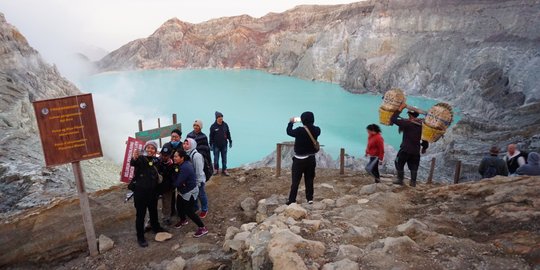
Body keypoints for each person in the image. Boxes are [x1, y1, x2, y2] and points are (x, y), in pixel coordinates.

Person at [130, 141, 167, 247]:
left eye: (153, 148)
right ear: (145, 148)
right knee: (140, 215)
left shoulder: (156, 160)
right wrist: (135, 157)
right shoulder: (140, 159)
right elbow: (133, 162)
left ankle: (156, 228)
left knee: (153, 212)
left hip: (152, 192)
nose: (150, 150)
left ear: (155, 151)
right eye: (148, 147)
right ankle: (140, 237)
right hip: (140, 193)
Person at [286, 111, 321, 205]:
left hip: (299, 160)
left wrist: (291, 122)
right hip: (311, 159)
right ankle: (310, 199)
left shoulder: (299, 130)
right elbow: (314, 131)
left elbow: (289, 132)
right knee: (309, 179)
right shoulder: (317, 130)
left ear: (302, 120)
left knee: (295, 181)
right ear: (313, 119)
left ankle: (292, 200)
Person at [172, 150, 209, 238]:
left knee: (189, 211)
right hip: (183, 190)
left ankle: (202, 228)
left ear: (182, 158)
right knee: (179, 206)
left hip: (189, 192)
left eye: (176, 156)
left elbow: (177, 182)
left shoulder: (185, 167)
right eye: (174, 156)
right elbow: (179, 181)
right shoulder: (182, 164)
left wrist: (176, 180)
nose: (174, 158)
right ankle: (183, 220)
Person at [390, 103, 429, 187]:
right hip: (415, 150)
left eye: (408, 115)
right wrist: (424, 147)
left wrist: (400, 109)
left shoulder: (407, 124)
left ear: (410, 115)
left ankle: (400, 180)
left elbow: (393, 119)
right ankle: (413, 182)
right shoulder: (422, 125)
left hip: (405, 149)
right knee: (414, 166)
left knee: (398, 162)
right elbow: (425, 138)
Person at [183, 138, 209, 219]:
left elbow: (199, 170)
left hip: (198, 180)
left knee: (201, 195)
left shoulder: (196, 156)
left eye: (187, 144)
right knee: (194, 195)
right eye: (184, 143)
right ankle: (196, 207)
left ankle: (204, 209)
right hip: (191, 180)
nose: (184, 145)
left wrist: (198, 182)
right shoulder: (187, 154)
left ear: (192, 145)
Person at [160, 129, 183, 218]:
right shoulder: (166, 145)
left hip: (179, 173)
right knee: (170, 193)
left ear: (180, 137)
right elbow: (162, 157)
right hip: (168, 174)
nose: (173, 138)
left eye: (176, 137)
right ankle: (171, 211)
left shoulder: (182, 146)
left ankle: (181, 211)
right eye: (172, 136)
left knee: (180, 193)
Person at [210, 111, 233, 176]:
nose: (221, 119)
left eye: (221, 117)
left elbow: (228, 133)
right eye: (219, 117)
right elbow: (211, 136)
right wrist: (210, 144)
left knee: (224, 158)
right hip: (216, 145)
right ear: (216, 118)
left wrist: (230, 141)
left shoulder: (225, 125)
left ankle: (224, 169)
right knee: (216, 159)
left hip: (224, 145)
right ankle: (216, 169)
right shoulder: (213, 126)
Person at [158, 145, 175, 225]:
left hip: (168, 187)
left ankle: (166, 218)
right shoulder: (156, 162)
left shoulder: (173, 164)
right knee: (152, 205)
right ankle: (149, 222)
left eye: (166, 155)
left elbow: (174, 176)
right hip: (156, 187)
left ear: (170, 155)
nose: (164, 157)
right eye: (162, 155)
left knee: (167, 203)